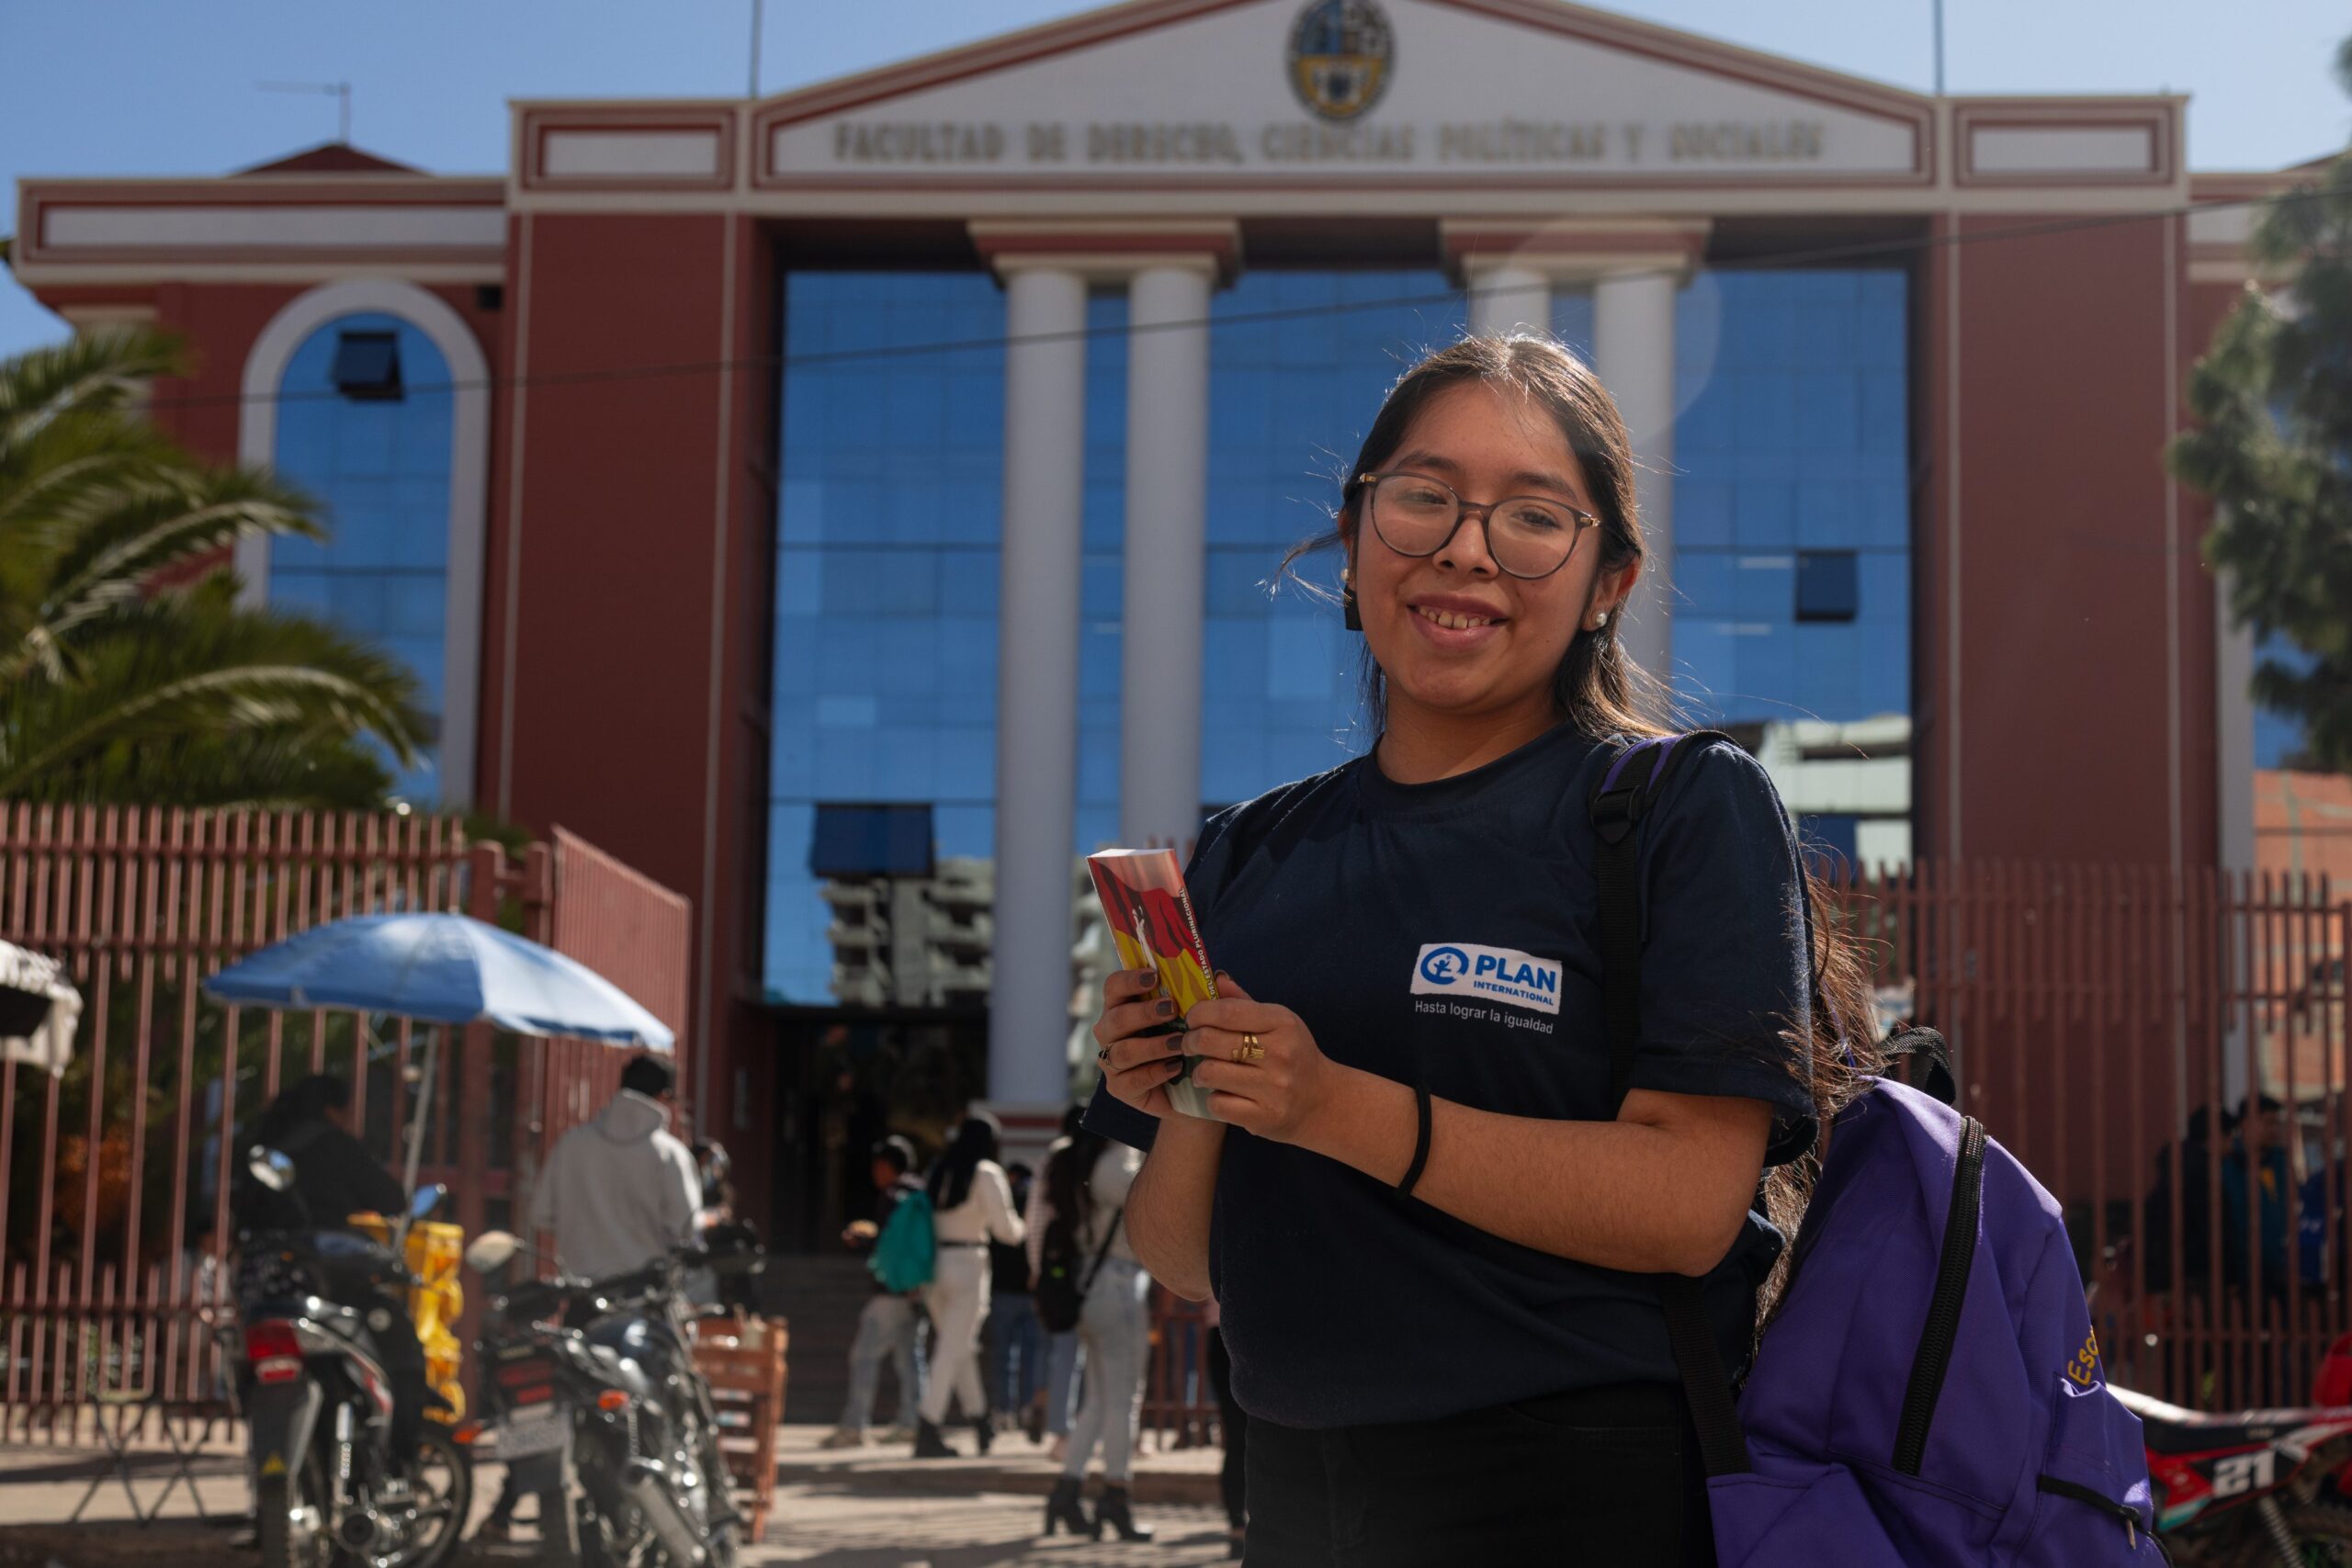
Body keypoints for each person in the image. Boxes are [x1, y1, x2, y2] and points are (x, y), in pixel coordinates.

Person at [1090, 333, 1878, 1566]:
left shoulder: (1675, 807)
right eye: (1423, 498)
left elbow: (1684, 1204)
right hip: (1297, 1498)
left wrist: (1328, 1101)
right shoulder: (1251, 851)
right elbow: (1187, 1257)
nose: (1465, 548)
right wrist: (1193, 1091)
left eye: (1531, 516)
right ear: (1355, 539)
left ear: (1609, 577)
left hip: (1586, 1489)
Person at [232, 1072, 427, 1463]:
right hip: (326, 1284)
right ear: (332, 1110)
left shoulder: (262, 1142)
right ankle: (397, 1457)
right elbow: (390, 1199)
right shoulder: (333, 1144)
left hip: (262, 1286)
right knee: (398, 1348)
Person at [1040, 1129, 1153, 1542]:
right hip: (1117, 1285)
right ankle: (1116, 1495)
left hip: (1091, 1283)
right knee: (1125, 1400)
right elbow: (1153, 1199)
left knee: (1100, 1401)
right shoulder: (1114, 1164)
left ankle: (1067, 1491)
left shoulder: (1084, 1160)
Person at [527, 1055, 702, 1282]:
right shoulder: (669, 1154)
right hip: (647, 1292)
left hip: (583, 1291)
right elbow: (686, 1229)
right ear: (664, 1096)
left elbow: (541, 1216)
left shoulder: (571, 1143)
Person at [912, 1111, 1023, 1459]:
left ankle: (979, 1420)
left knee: (958, 1348)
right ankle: (928, 1426)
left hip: (936, 1266)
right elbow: (1006, 1230)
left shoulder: (939, 1168)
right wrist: (1028, 1230)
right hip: (969, 1265)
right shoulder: (986, 1172)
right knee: (951, 1350)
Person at [825, 1134, 927, 1448]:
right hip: (916, 1289)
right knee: (909, 1359)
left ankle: (855, 1424)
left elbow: (888, 1247)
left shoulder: (893, 1197)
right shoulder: (921, 1194)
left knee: (864, 1357)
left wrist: (864, 1240)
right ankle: (913, 1420)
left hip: (890, 1292)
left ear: (886, 1165)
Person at [1026, 1106, 1089, 1454]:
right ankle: (1071, 1429)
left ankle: (1057, 1425)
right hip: (1092, 1263)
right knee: (1084, 1353)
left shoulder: (1053, 1157)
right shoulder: (1099, 1152)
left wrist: (1036, 1268)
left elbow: (1036, 1216)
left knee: (1059, 1348)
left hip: (1057, 1265)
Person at [983, 1160, 1045, 1435]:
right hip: (1032, 1291)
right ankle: (1027, 1408)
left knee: (1003, 1356)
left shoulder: (1003, 1204)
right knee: (1032, 1355)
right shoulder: (1038, 1205)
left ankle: (1003, 1410)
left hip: (1002, 1290)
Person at [1206, 1294, 1248, 1559]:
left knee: (1238, 1439)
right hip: (1233, 1330)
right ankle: (1238, 1525)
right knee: (1241, 1438)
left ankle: (1239, 1526)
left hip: (1225, 1328)